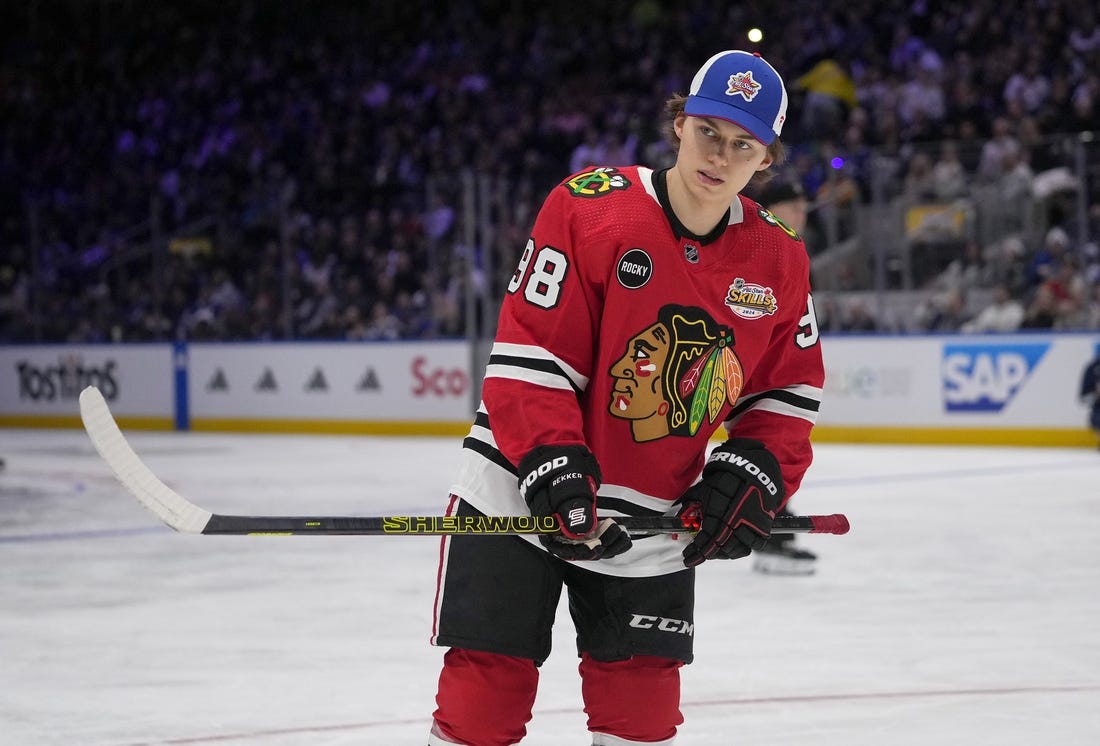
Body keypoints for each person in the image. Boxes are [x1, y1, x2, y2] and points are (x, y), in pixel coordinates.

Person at [428, 50, 824, 746]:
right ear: (679, 123)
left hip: (653, 520)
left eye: (743, 145)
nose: (719, 155)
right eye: (708, 131)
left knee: (640, 723)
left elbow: (785, 391)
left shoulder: (779, 258)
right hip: (518, 491)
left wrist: (757, 468)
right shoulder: (590, 208)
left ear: (765, 159)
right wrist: (550, 461)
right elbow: (531, 355)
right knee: (482, 704)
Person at [750, 176, 822, 576]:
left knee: (775, 449)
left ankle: (771, 530)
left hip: (769, 368)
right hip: (750, 371)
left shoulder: (790, 251)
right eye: (792, 206)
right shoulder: (761, 249)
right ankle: (769, 535)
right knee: (765, 448)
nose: (802, 213)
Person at [1081, 350, 1100, 450]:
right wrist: (1096, 394)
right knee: (1098, 417)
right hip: (1098, 408)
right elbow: (1083, 397)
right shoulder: (1092, 368)